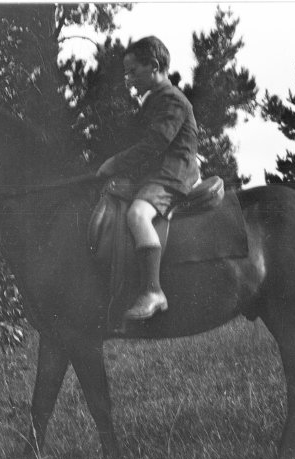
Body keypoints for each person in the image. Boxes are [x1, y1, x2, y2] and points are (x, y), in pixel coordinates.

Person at [96, 36, 200, 321]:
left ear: (154, 66)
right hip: (156, 173)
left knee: (138, 215)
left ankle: (154, 290)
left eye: (133, 71)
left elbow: (155, 144)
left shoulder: (172, 100)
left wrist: (115, 163)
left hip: (173, 173)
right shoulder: (152, 101)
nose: (128, 79)